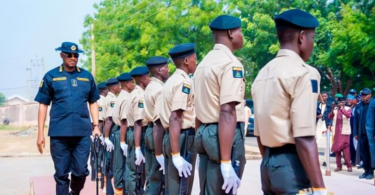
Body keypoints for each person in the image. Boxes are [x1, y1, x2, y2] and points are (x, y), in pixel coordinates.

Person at [251, 9, 328, 194]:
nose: (313, 44)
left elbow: (260, 134)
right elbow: (304, 136)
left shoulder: (263, 74)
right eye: (312, 38)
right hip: (294, 165)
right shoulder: (305, 73)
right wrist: (319, 188)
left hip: (268, 165)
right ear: (302, 37)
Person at [35, 42, 101, 195]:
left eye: (75, 55)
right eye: (69, 55)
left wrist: (96, 126)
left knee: (80, 172)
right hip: (59, 133)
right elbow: (43, 105)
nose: (73, 58)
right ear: (61, 55)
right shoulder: (51, 76)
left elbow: (93, 102)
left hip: (82, 133)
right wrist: (40, 134)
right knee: (61, 175)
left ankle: (75, 191)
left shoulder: (86, 76)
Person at [194, 15, 246, 195]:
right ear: (231, 33)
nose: (242, 36)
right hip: (223, 136)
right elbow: (227, 111)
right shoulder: (231, 64)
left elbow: (198, 109)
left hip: (204, 132)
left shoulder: (203, 64)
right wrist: (226, 161)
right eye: (240, 31)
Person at [160, 43, 197, 195]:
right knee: (182, 189)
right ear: (187, 61)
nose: (197, 62)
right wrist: (176, 155)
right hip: (182, 138)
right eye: (195, 58)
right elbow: (175, 117)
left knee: (173, 188)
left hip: (172, 137)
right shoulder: (183, 82)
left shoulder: (171, 80)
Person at [143, 56, 170, 194]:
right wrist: (159, 153)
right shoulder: (160, 89)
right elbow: (158, 122)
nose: (169, 70)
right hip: (156, 133)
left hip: (149, 131)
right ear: (159, 70)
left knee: (151, 175)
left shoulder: (150, 87)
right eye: (166, 67)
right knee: (157, 179)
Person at [125, 66, 150, 195]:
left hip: (133, 132)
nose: (149, 79)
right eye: (148, 76)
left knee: (133, 169)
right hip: (138, 133)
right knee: (136, 171)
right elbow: (138, 122)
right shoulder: (139, 95)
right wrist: (138, 147)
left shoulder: (133, 93)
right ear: (141, 78)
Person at [111, 73, 134, 194]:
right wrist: (123, 141)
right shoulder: (126, 98)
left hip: (119, 131)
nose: (133, 84)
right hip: (122, 131)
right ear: (126, 84)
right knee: (122, 165)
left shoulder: (121, 96)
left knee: (119, 164)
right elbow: (124, 121)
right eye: (132, 82)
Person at [102, 78, 121, 193]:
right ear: (114, 87)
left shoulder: (108, 98)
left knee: (110, 162)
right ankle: (110, 190)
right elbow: (109, 120)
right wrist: (107, 138)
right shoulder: (112, 100)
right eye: (118, 85)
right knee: (112, 162)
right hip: (113, 132)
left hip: (111, 132)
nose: (120, 87)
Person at [353, 88, 375, 179]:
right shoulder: (359, 105)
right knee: (363, 153)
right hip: (361, 133)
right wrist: (355, 133)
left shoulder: (373, 104)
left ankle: (371, 172)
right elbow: (355, 120)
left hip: (371, 134)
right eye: (362, 95)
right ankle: (365, 171)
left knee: (371, 153)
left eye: (365, 95)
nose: (363, 97)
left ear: (370, 95)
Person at [328, 97, 352, 172]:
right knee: (337, 150)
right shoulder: (335, 109)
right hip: (337, 132)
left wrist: (342, 109)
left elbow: (348, 116)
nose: (341, 103)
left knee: (346, 150)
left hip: (344, 132)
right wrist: (332, 109)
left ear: (345, 102)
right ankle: (338, 166)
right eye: (340, 102)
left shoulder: (348, 108)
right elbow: (329, 117)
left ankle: (349, 166)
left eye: (343, 102)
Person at [316, 91, 332, 166]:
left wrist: (330, 125)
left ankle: (326, 160)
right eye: (322, 96)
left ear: (327, 97)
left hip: (326, 124)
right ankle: (317, 159)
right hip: (318, 124)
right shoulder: (317, 104)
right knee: (316, 141)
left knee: (326, 143)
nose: (323, 97)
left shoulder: (330, 105)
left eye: (325, 96)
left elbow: (331, 115)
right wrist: (316, 116)